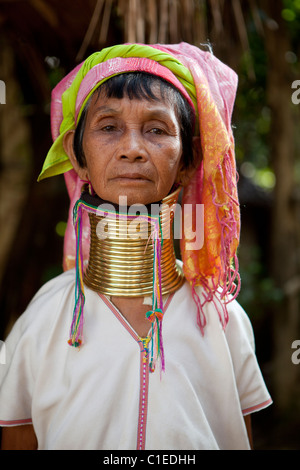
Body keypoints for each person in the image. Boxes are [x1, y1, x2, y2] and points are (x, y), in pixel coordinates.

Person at [0, 43, 272, 450]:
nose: (132, 148)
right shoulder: (46, 319)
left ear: (189, 159)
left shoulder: (221, 318)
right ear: (78, 155)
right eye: (108, 127)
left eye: (157, 130)